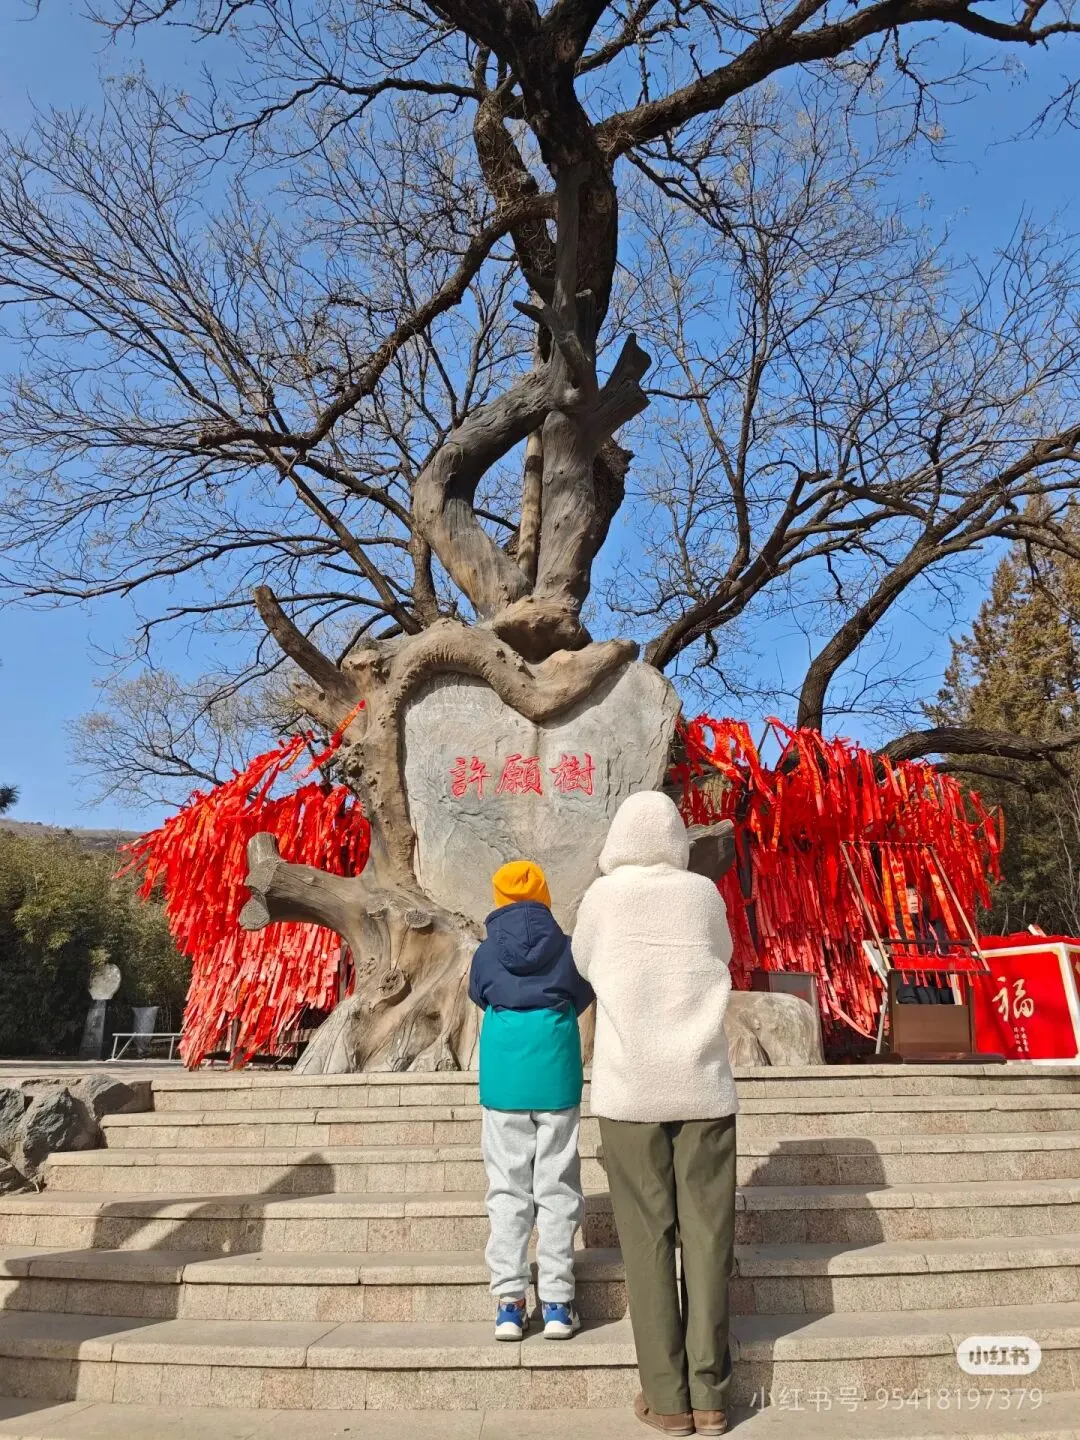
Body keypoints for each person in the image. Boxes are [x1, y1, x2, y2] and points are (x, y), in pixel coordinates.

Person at [573, 791, 738, 1438]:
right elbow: (722, 954)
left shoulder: (602, 898)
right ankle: (711, 1395)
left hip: (629, 1089)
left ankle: (667, 1400)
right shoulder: (702, 894)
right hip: (702, 1085)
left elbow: (585, 964)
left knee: (646, 1243)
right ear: (675, 837)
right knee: (708, 1239)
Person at [468, 858, 595, 1342]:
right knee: (557, 1186)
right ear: (544, 896)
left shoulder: (485, 953)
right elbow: (581, 994)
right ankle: (558, 1303)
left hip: (504, 1079)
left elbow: (480, 995)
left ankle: (509, 1303)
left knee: (507, 1189)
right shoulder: (566, 947)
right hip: (556, 1073)